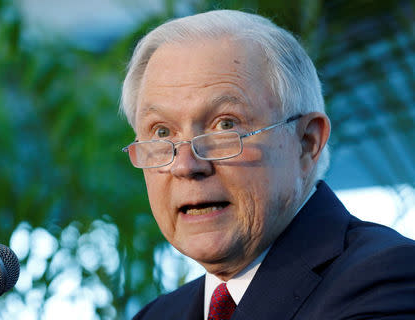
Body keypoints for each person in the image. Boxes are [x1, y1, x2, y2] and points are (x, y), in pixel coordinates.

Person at [120, 10, 415, 320]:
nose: (186, 165)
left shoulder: (388, 281)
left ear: (307, 142)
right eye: (162, 132)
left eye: (225, 125)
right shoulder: (158, 314)